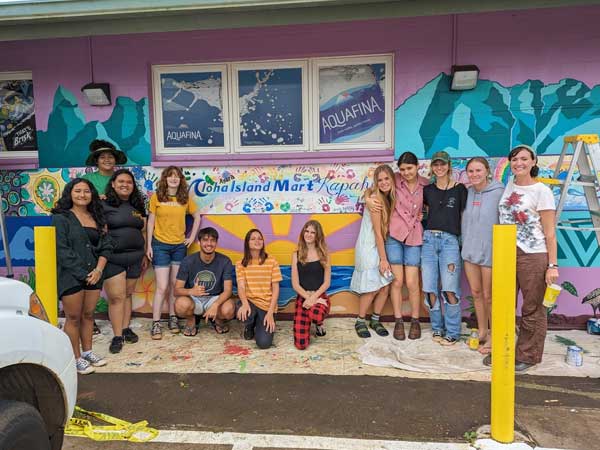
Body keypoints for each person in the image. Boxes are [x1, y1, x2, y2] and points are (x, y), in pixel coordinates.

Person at [485, 144, 558, 371]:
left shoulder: (542, 191)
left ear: (533, 162)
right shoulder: (510, 185)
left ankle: (527, 355)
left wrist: (552, 265)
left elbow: (550, 232)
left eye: (524, 159)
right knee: (504, 304)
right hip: (507, 251)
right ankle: (504, 350)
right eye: (515, 159)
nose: (519, 163)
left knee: (532, 307)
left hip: (533, 254)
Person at [51, 178, 114, 375]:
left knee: (88, 315)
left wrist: (98, 271)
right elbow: (62, 250)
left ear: (92, 194)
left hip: (95, 275)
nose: (82, 195)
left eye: (86, 191)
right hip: (71, 276)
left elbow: (107, 245)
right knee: (73, 317)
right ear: (70, 193)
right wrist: (84, 274)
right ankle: (76, 358)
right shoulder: (61, 218)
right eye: (77, 191)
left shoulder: (97, 217)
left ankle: (87, 352)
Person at [367, 152, 428, 340]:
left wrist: (425, 214)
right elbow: (375, 187)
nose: (406, 172)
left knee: (412, 282)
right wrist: (368, 198)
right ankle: (399, 320)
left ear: (417, 166)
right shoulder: (395, 179)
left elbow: (434, 203)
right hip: (394, 236)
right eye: (402, 169)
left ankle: (415, 321)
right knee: (397, 281)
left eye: (409, 168)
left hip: (414, 237)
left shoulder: (426, 184)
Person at [146, 166, 202, 340]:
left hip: (179, 246)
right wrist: (148, 246)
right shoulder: (157, 197)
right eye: (170, 176)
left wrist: (191, 237)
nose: (174, 179)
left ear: (181, 180)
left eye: (177, 176)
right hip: (160, 245)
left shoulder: (185, 199)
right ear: (165, 179)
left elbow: (197, 216)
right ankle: (156, 323)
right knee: (162, 286)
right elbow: (150, 222)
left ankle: (173, 318)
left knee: (174, 286)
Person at [421, 151, 468, 346]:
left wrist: (464, 242)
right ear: (432, 167)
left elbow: (465, 216)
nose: (439, 168)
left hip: (450, 242)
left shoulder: (460, 189)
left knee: (450, 288)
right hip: (429, 241)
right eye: (435, 165)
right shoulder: (428, 190)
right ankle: (437, 328)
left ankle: (453, 331)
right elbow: (422, 212)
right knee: (430, 288)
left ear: (449, 166)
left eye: (442, 164)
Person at [81, 139, 127, 335]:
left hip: (115, 234)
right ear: (97, 160)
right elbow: (82, 200)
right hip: (93, 232)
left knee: (112, 281)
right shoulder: (89, 179)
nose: (107, 160)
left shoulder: (120, 178)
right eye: (103, 157)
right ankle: (88, 319)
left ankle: (118, 323)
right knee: (89, 275)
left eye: (110, 156)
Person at [102, 169, 148, 354]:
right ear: (113, 184)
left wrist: (144, 254)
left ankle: (125, 327)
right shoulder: (103, 205)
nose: (125, 184)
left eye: (129, 182)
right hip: (114, 258)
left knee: (128, 294)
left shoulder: (137, 205)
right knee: (116, 298)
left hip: (136, 257)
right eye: (121, 181)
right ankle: (117, 335)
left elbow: (142, 231)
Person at [461, 157, 504, 354]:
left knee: (489, 296)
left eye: (478, 170)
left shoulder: (499, 193)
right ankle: (483, 331)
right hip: (470, 251)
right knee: (476, 294)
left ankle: (495, 336)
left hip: (490, 252)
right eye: (471, 171)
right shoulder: (467, 193)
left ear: (487, 171)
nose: (475, 174)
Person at [350, 164, 395, 338]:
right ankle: (360, 320)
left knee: (385, 286)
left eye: (386, 178)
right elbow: (377, 232)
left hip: (380, 245)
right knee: (372, 288)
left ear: (392, 179)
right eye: (380, 180)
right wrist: (383, 259)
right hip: (369, 246)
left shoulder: (387, 196)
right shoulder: (375, 199)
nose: (383, 182)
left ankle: (375, 319)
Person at [173, 227, 235, 337]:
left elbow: (228, 290)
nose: (209, 244)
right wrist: (191, 291)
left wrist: (216, 304)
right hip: (194, 299)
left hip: (215, 298)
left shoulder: (225, 261)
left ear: (216, 243)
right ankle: (191, 320)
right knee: (180, 305)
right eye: (205, 240)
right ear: (199, 242)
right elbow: (176, 291)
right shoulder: (188, 261)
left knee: (229, 309)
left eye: (212, 240)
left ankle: (218, 320)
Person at [236, 229, 282, 349]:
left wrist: (271, 313)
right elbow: (241, 287)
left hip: (267, 306)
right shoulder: (240, 264)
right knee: (241, 308)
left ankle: (259, 324)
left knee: (264, 343)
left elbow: (276, 289)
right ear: (247, 243)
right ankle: (249, 326)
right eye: (253, 238)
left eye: (260, 238)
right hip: (250, 303)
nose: (257, 241)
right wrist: (245, 304)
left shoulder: (272, 261)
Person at [291, 220, 331, 350]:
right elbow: (295, 284)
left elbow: (326, 283)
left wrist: (314, 298)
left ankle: (318, 324)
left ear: (317, 236)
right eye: (306, 231)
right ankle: (306, 322)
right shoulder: (296, 255)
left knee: (316, 314)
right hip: (303, 296)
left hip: (319, 295)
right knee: (301, 344)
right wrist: (308, 298)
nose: (308, 234)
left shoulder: (324, 254)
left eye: (312, 232)